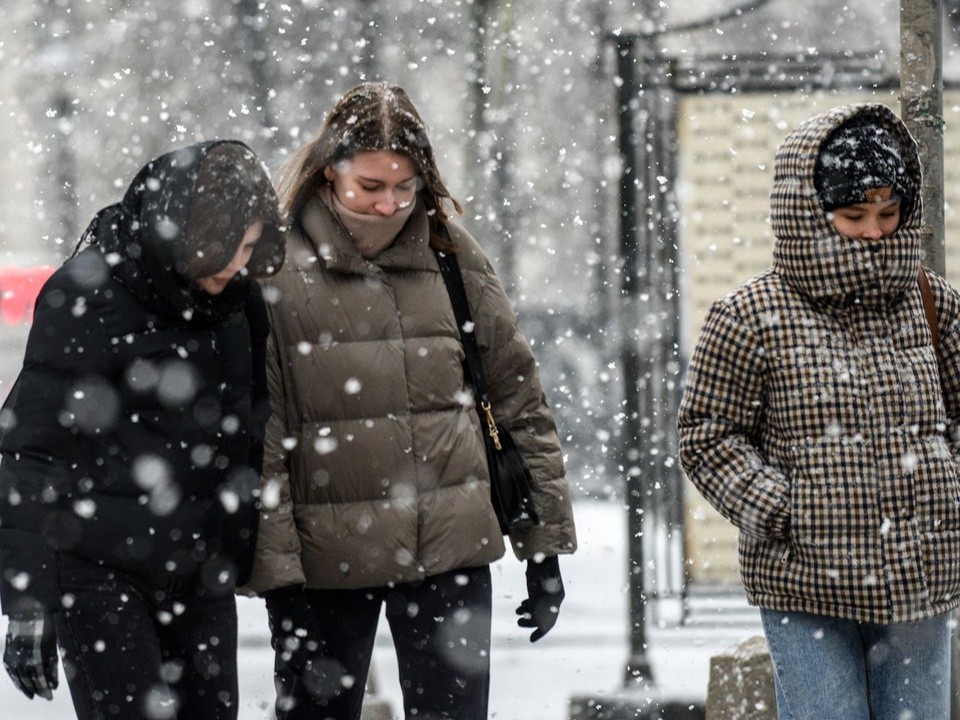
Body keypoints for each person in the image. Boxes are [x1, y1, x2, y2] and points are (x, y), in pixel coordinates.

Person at [241, 81, 578, 720]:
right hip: (325, 561)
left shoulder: (451, 256)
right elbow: (264, 437)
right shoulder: (275, 273)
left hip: (450, 549)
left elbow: (517, 400)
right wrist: (279, 580)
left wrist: (544, 548)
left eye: (405, 187)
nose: (390, 204)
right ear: (328, 171)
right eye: (370, 187)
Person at [678, 102, 960, 720]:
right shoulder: (750, 316)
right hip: (805, 584)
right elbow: (707, 437)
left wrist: (944, 490)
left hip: (921, 580)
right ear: (809, 212)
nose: (874, 232)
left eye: (889, 214)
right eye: (854, 215)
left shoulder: (933, 303)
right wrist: (785, 509)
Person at [0, 140, 286, 720]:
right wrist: (30, 600)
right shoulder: (90, 295)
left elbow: (250, 428)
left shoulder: (237, 303)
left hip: (201, 572)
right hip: (98, 569)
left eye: (249, 248)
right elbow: (30, 449)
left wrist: (244, 541)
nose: (234, 264)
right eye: (222, 248)